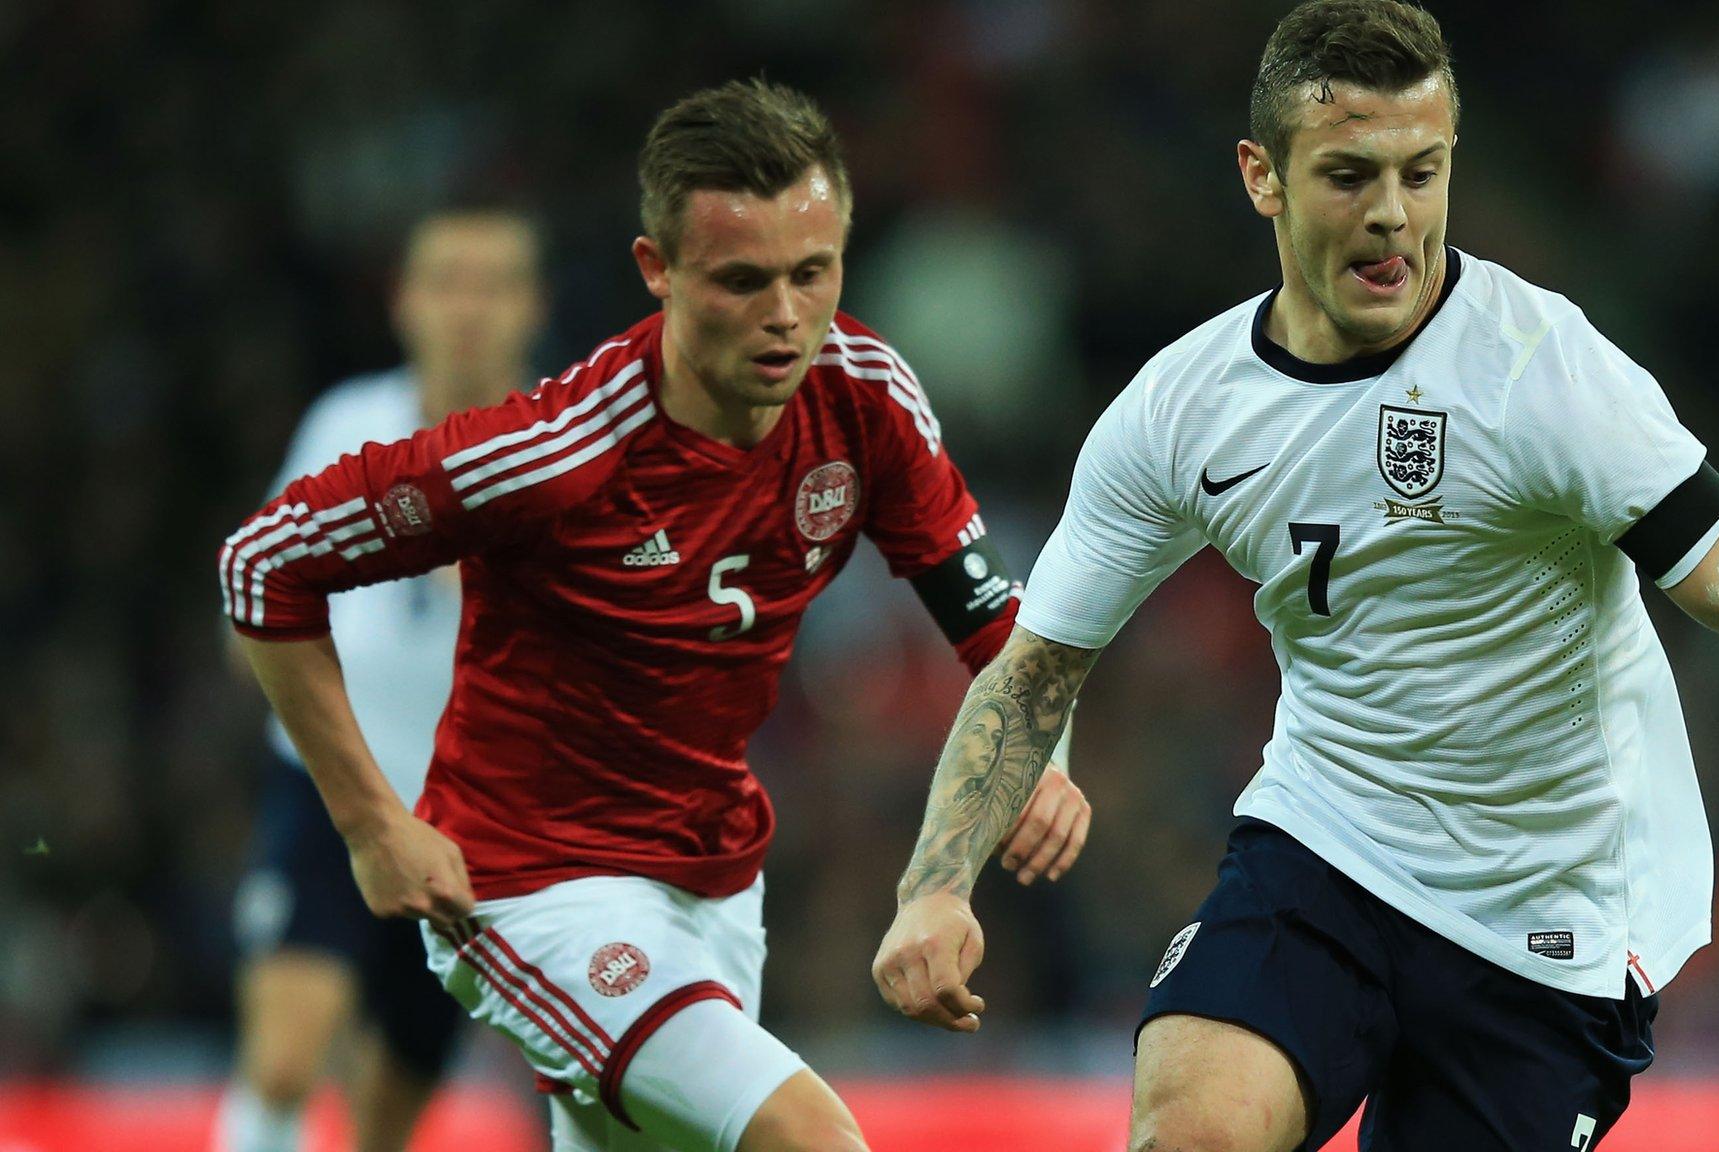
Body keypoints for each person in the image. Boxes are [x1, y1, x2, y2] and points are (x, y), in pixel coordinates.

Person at [871, 3, 1719, 1150]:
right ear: (1260, 177)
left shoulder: (1544, 375)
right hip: (1327, 846)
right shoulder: (1180, 409)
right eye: (1346, 174)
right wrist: (933, 886)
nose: (1390, 215)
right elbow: (1037, 671)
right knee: (1192, 1129)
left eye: (1419, 173)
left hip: (1548, 914)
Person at [216, 79, 1088, 1152]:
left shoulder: (862, 395)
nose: (784, 317)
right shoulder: (551, 455)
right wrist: (367, 823)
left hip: (713, 887)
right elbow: (263, 565)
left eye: (812, 274)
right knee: (813, 1140)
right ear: (656, 271)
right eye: (741, 280)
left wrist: (982, 828)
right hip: (531, 888)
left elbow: (1007, 644)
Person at [213, 207, 547, 1152]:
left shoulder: (559, 452)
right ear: (405, 301)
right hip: (332, 789)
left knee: (389, 1115)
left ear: (533, 307)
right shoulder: (348, 425)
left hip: (472, 818)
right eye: (448, 281)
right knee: (284, 1054)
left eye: (494, 284)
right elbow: (257, 583)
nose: (468, 308)